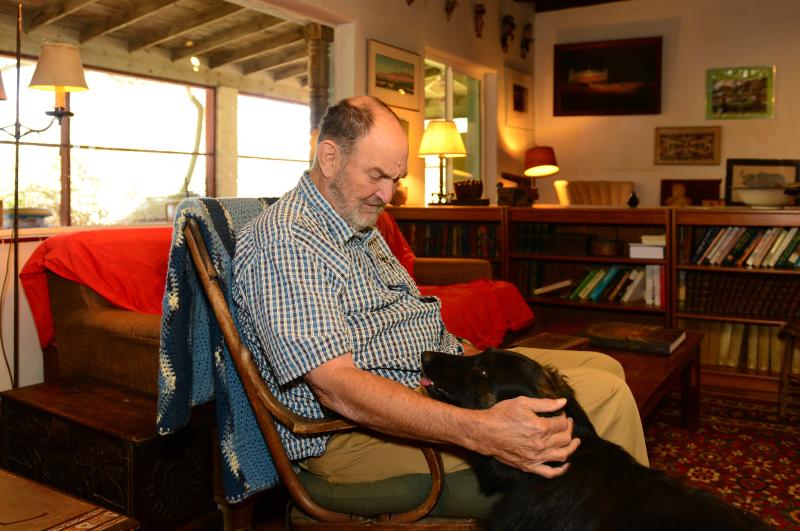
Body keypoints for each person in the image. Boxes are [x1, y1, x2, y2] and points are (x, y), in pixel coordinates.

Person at [232, 95, 647, 517]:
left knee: (604, 368)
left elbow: (407, 316)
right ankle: (625, 514)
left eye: (395, 178)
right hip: (351, 437)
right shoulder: (287, 241)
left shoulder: (354, 218)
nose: (387, 194)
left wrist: (475, 360)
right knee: (608, 397)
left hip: (435, 379)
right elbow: (337, 388)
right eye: (377, 175)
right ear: (329, 156)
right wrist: (483, 431)